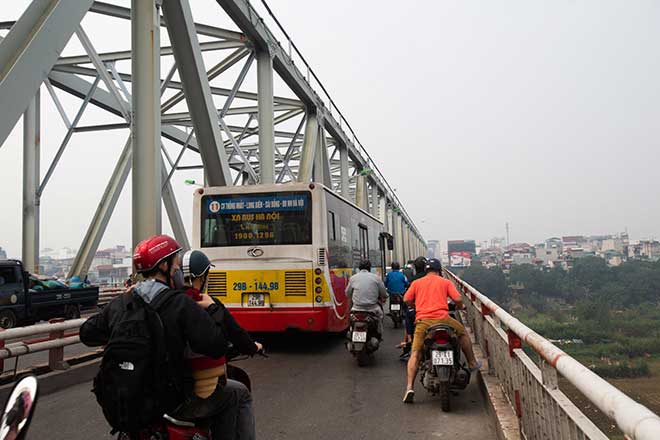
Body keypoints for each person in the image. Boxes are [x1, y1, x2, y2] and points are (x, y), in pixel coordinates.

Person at [80, 235, 233, 436]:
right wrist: (213, 309)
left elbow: (87, 333)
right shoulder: (180, 303)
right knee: (236, 396)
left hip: (122, 403)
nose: (178, 269)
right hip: (170, 401)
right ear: (163, 266)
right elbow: (216, 344)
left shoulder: (122, 303)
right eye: (175, 263)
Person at [171, 249, 261, 440]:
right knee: (239, 394)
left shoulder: (167, 302)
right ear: (203, 276)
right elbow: (236, 335)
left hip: (167, 393)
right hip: (194, 395)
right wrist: (253, 348)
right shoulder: (206, 304)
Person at [401, 258, 480, 403]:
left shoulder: (417, 283)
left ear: (426, 270)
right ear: (439, 271)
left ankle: (409, 387)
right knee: (462, 333)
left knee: (416, 353)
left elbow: (406, 299)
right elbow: (457, 298)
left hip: (423, 322)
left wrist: (415, 305)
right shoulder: (445, 282)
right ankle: (472, 363)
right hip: (443, 319)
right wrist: (460, 306)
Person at [346, 260, 388, 338]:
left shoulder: (353, 278)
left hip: (356, 308)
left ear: (359, 268)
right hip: (372, 309)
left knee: (350, 319)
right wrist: (385, 296)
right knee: (380, 315)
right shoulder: (376, 278)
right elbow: (383, 293)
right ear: (369, 268)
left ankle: (351, 331)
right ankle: (378, 334)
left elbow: (347, 293)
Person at [398, 257, 428, 360]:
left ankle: (408, 343)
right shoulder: (439, 280)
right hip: (438, 314)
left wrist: (413, 306)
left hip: (418, 312)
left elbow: (406, 299)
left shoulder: (413, 281)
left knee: (408, 317)